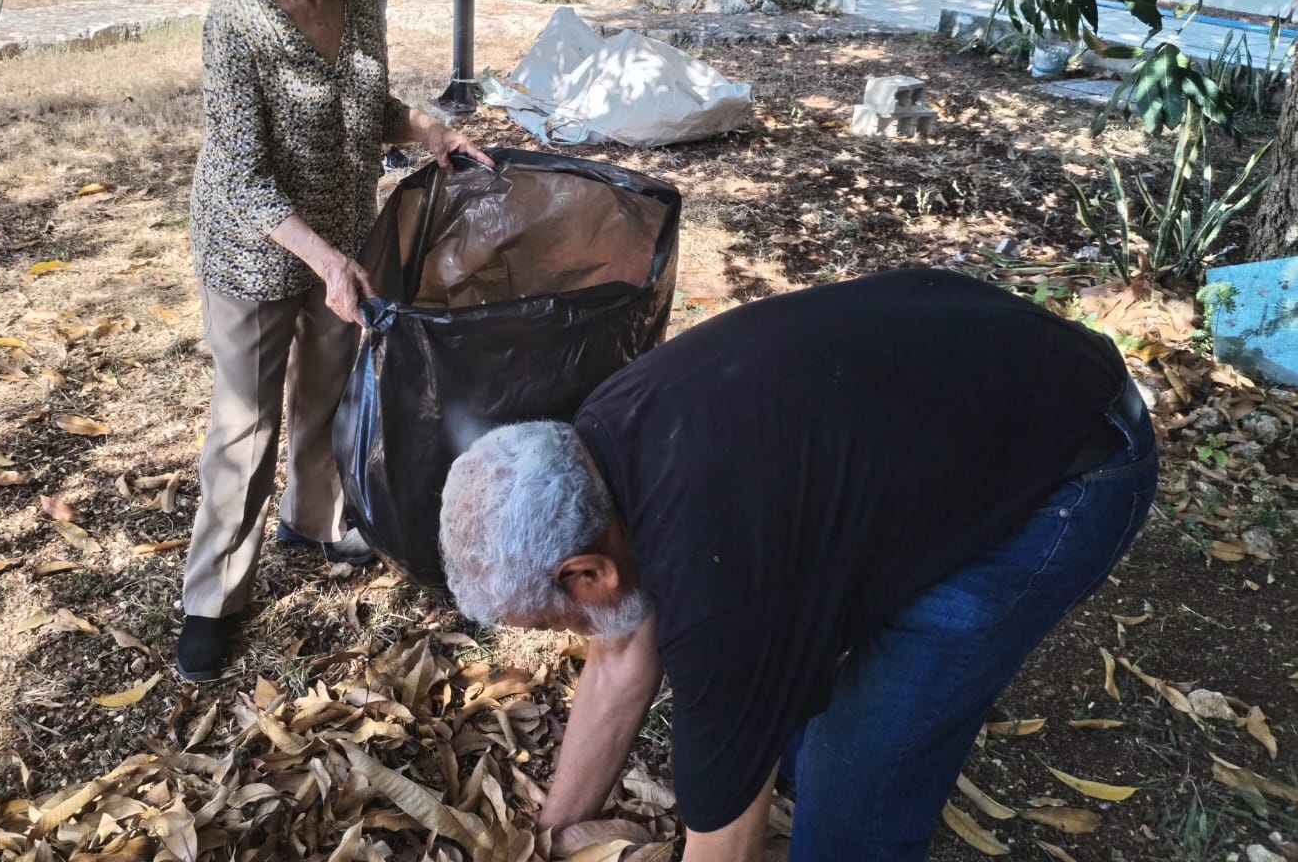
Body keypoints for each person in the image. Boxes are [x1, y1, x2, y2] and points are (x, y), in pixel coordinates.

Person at [438, 269, 1157, 861]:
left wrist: (735, 770)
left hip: (1069, 468)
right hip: (968, 373)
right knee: (782, 727)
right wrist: (549, 842)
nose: (563, 632)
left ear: (586, 573)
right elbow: (618, 657)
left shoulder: (720, 590)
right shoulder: (597, 452)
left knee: (849, 799)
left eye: (549, 618)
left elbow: (723, 847)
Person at [180, 0, 491, 683]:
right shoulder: (236, 19)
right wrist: (321, 258)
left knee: (324, 394)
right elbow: (240, 176)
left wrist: (426, 129)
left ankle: (311, 521)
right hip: (256, 250)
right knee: (245, 424)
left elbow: (366, 104)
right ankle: (211, 596)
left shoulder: (360, 0)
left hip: (342, 243)